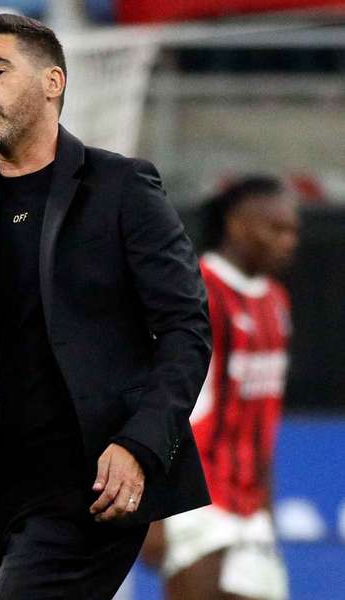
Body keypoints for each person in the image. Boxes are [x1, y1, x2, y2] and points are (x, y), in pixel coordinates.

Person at [0, 13, 213, 599]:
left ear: (53, 82)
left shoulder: (123, 187)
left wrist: (140, 445)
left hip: (97, 482)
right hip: (2, 484)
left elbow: (185, 329)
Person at [142, 176, 299, 600]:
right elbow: (160, 397)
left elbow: (265, 417)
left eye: (293, 232)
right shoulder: (194, 291)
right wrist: (153, 513)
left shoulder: (276, 302)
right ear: (238, 225)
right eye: (276, 229)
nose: (289, 241)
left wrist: (266, 503)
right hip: (197, 497)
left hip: (250, 504)